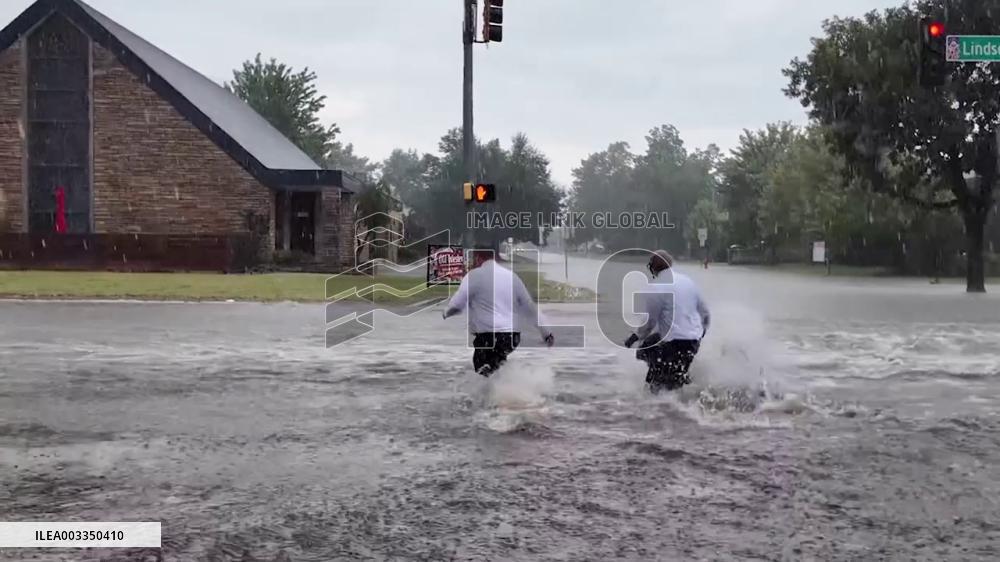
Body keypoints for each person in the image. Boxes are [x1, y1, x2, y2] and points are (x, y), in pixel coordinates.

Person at [443, 247, 555, 376]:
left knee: (483, 371)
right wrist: (546, 333)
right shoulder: (512, 276)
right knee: (497, 366)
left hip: (487, 336)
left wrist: (446, 313)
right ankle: (513, 390)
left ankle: (496, 393)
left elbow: (456, 305)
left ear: (478, 258)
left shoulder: (473, 276)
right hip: (511, 337)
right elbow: (529, 307)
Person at [623, 250, 711, 393]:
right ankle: (680, 379)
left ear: (653, 268)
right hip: (693, 341)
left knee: (653, 380)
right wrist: (700, 333)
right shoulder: (688, 281)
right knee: (653, 349)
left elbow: (649, 323)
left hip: (672, 343)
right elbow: (705, 313)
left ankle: (659, 386)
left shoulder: (654, 288)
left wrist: (634, 337)